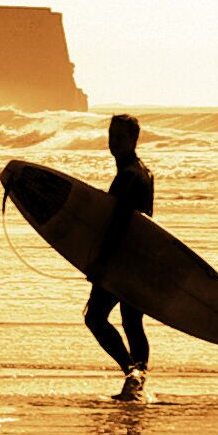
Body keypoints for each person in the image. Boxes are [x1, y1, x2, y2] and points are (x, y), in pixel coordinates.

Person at [83, 112, 154, 397]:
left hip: (121, 262)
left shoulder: (129, 176)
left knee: (95, 318)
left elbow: (119, 224)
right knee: (132, 322)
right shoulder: (141, 172)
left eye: (120, 137)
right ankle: (136, 382)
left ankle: (132, 374)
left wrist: (100, 263)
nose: (113, 142)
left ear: (133, 140)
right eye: (111, 136)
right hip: (139, 260)